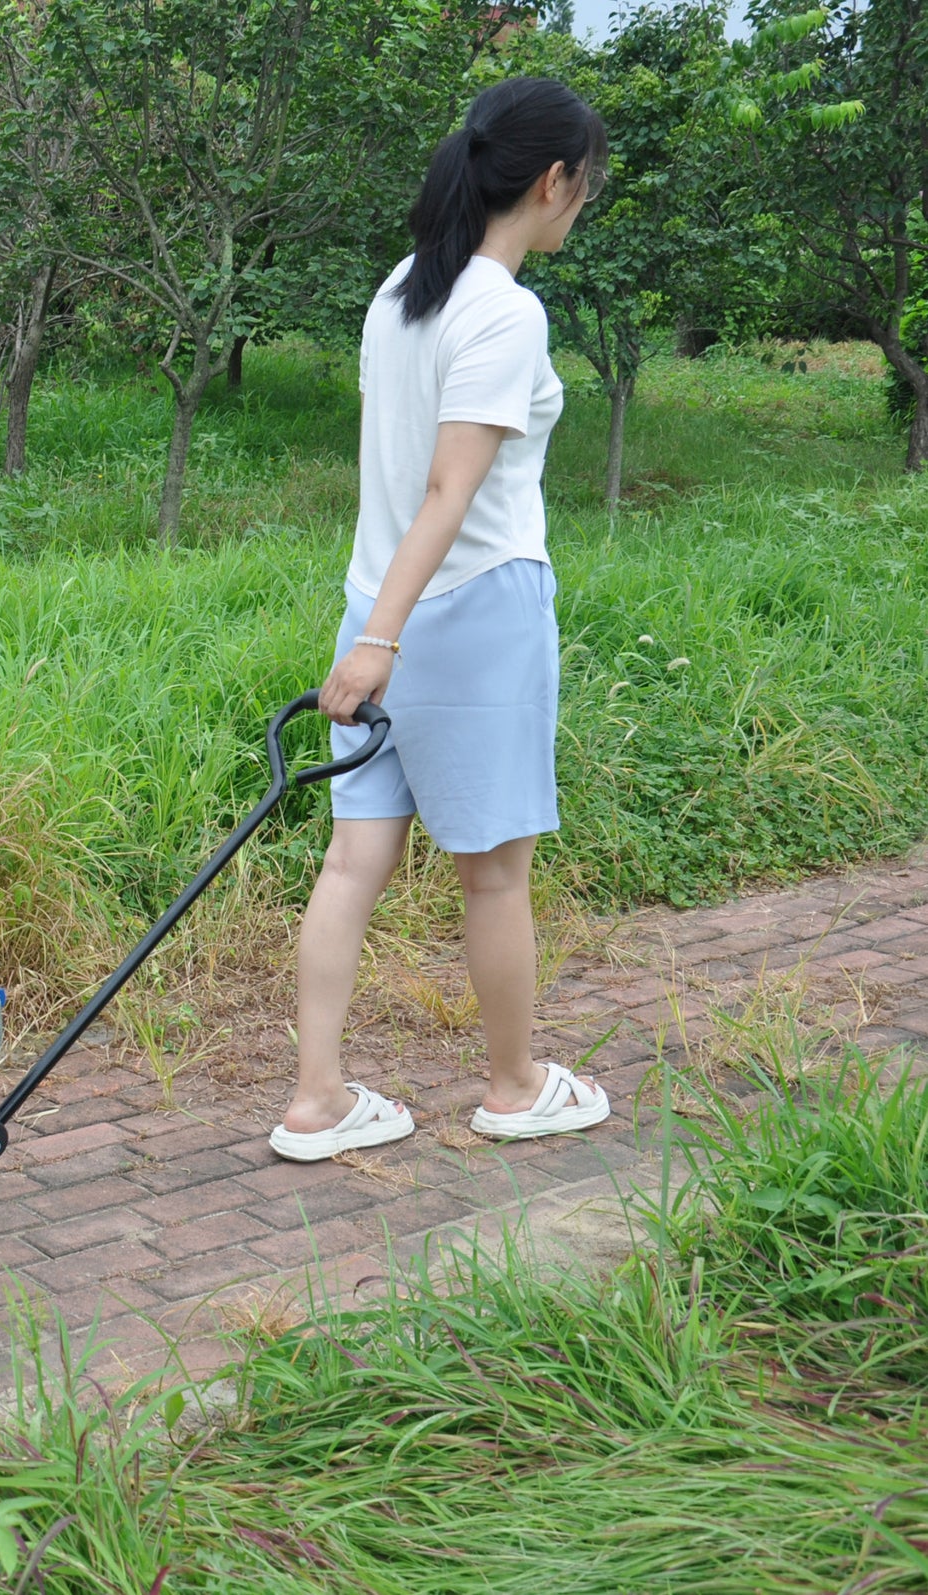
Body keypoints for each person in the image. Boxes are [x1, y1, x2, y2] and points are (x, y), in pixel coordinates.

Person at [268, 78, 613, 1162]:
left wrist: (372, 631)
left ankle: (315, 1098)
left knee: (350, 859)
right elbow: (446, 492)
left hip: (373, 596)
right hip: (464, 612)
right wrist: (385, 641)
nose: (580, 209)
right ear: (551, 182)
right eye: (584, 191)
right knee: (493, 870)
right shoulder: (504, 311)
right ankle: (514, 1085)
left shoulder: (398, 291)